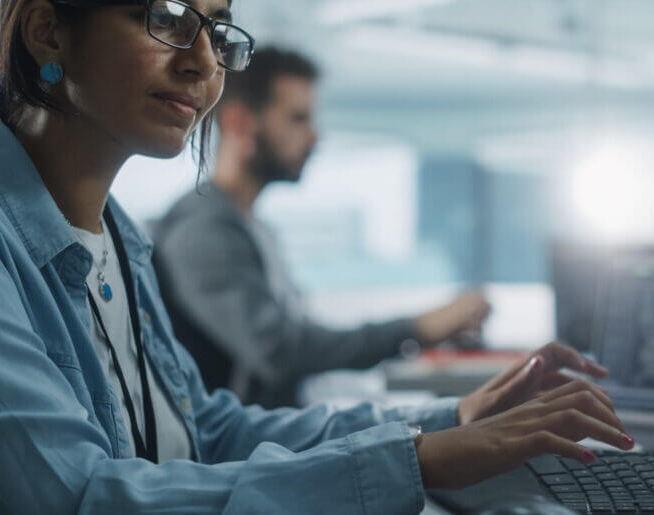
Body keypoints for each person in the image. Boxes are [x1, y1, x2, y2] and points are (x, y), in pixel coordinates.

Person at [0, 0, 633, 512]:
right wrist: (414, 462)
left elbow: (202, 431)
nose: (202, 59)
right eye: (164, 15)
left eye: (216, 31)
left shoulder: (117, 231)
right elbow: (79, 496)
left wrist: (444, 419)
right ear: (48, 28)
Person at [152, 47, 490, 409]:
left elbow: (296, 336)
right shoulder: (204, 232)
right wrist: (417, 329)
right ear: (240, 124)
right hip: (240, 453)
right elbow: (279, 350)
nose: (314, 137)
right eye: (298, 119)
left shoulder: (252, 226)